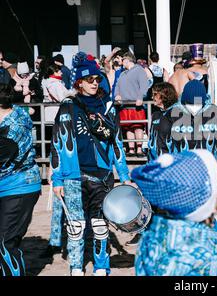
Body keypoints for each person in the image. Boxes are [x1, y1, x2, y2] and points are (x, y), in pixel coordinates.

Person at [50, 58, 131, 276]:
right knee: (75, 227)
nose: (94, 83)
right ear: (78, 83)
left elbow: (117, 143)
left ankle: (101, 266)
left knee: (100, 225)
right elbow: (57, 143)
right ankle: (76, 267)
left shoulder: (108, 107)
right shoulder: (67, 106)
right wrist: (57, 180)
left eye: (96, 78)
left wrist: (124, 175)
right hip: (73, 177)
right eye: (88, 79)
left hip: (102, 175)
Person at [0, 83, 41, 276]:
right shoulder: (14, 113)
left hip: (19, 187)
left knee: (5, 242)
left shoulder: (11, 131)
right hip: (10, 185)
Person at [115, 51, 149, 157]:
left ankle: (139, 149)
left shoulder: (139, 70)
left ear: (127, 60)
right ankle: (131, 149)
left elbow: (144, 85)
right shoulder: (122, 73)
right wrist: (117, 95)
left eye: (123, 60)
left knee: (138, 127)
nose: (121, 62)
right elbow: (117, 86)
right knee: (128, 128)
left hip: (136, 105)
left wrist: (140, 97)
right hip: (124, 105)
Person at [147, 82, 179, 161]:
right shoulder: (155, 115)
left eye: (155, 94)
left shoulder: (176, 113)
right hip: (154, 162)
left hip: (169, 162)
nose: (152, 97)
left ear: (164, 95)